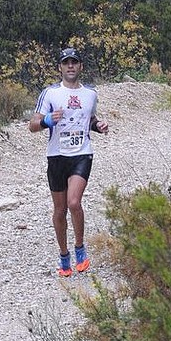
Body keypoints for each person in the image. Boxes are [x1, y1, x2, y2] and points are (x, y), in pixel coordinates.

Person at [29, 46, 109, 277]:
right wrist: (47, 120)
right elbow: (33, 125)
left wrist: (98, 126)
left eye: (74, 62)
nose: (70, 66)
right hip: (56, 156)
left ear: (81, 66)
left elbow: (89, 119)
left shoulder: (90, 94)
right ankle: (64, 255)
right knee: (60, 209)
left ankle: (80, 248)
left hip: (81, 154)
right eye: (66, 63)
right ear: (60, 68)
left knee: (74, 203)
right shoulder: (50, 93)